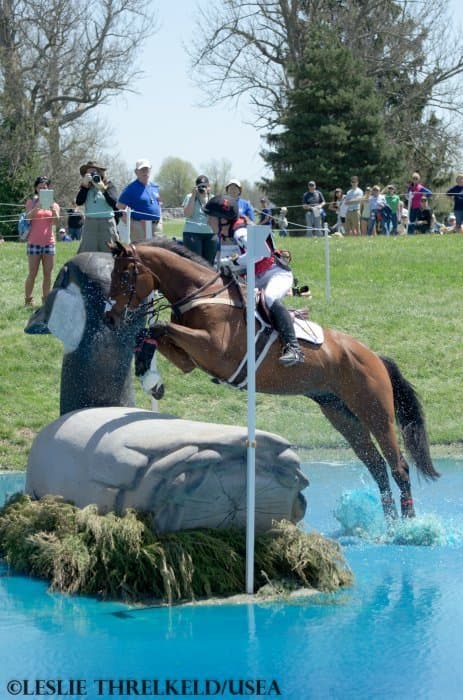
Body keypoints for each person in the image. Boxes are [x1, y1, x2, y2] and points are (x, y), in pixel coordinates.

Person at [203, 194, 304, 367]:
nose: (208, 222)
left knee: (269, 298)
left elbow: (258, 254)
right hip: (254, 278)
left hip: (276, 274)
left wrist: (233, 262)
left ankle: (294, 348)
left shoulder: (240, 232)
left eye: (211, 218)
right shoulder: (224, 235)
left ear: (223, 220)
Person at [24, 175, 60, 306]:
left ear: (48, 189)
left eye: (45, 188)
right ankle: (28, 300)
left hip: (49, 243)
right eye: (40, 188)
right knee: (32, 273)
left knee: (47, 274)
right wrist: (37, 207)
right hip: (34, 242)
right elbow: (27, 219)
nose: (42, 190)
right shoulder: (31, 202)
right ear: (36, 188)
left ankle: (46, 300)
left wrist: (53, 211)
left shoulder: (54, 204)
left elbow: (55, 222)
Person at [76, 160, 119, 252]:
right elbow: (79, 202)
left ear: (100, 172)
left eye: (94, 172)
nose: (92, 175)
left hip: (107, 223)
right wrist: (84, 186)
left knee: (109, 253)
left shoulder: (109, 185)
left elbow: (114, 203)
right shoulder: (85, 187)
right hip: (90, 224)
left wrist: (103, 189)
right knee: (87, 253)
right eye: (89, 173)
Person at [117, 159, 162, 242]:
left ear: (150, 170)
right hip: (139, 227)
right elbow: (120, 207)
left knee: (157, 249)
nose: (145, 172)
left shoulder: (155, 187)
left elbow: (159, 204)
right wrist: (131, 224)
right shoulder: (130, 188)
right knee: (140, 249)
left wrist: (160, 222)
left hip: (156, 226)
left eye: (147, 169)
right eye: (142, 170)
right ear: (136, 172)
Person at [181, 174, 217, 265]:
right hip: (192, 234)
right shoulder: (190, 197)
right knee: (195, 264)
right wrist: (193, 196)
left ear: (209, 187)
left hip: (210, 234)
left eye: (205, 186)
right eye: (200, 186)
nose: (202, 188)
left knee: (209, 264)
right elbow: (187, 214)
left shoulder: (213, 198)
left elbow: (213, 216)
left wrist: (205, 199)